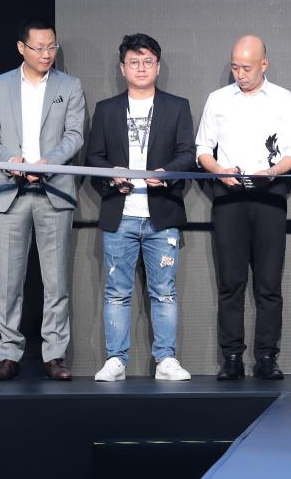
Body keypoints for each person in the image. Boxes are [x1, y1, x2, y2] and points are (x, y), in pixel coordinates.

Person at [0, 17, 86, 381]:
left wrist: (47, 163)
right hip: (11, 192)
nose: (46, 53)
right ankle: (9, 354)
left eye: (52, 46)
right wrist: (10, 161)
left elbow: (75, 135)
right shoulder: (0, 85)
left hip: (54, 191)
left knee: (56, 281)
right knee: (10, 281)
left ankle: (54, 355)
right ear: (21, 48)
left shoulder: (69, 85)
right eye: (39, 47)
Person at [85, 33, 196, 382]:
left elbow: (187, 155)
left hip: (162, 213)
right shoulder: (106, 110)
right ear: (122, 68)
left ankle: (166, 359)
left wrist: (167, 173)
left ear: (158, 66)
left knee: (164, 292)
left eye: (148, 61)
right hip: (121, 214)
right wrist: (111, 176)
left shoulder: (177, 107)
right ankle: (115, 360)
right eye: (134, 62)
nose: (141, 68)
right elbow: (93, 159)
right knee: (116, 293)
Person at [196, 35, 291, 380]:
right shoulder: (218, 99)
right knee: (231, 283)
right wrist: (218, 170)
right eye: (235, 67)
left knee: (269, 284)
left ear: (264, 65)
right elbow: (202, 149)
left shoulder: (284, 99)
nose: (240, 74)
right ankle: (231, 357)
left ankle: (267, 357)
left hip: (269, 197)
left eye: (247, 68)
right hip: (229, 198)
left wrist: (272, 171)